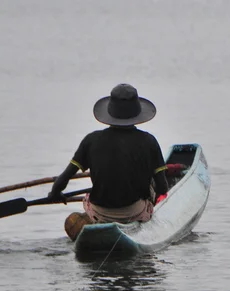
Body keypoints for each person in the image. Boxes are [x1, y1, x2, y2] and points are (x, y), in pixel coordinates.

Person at [48, 83, 168, 238]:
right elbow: (163, 187)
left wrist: (55, 193)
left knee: (87, 197)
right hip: (134, 212)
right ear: (137, 114)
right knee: (150, 185)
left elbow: (63, 179)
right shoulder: (149, 141)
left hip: (100, 211)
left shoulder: (91, 140)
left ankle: (94, 221)